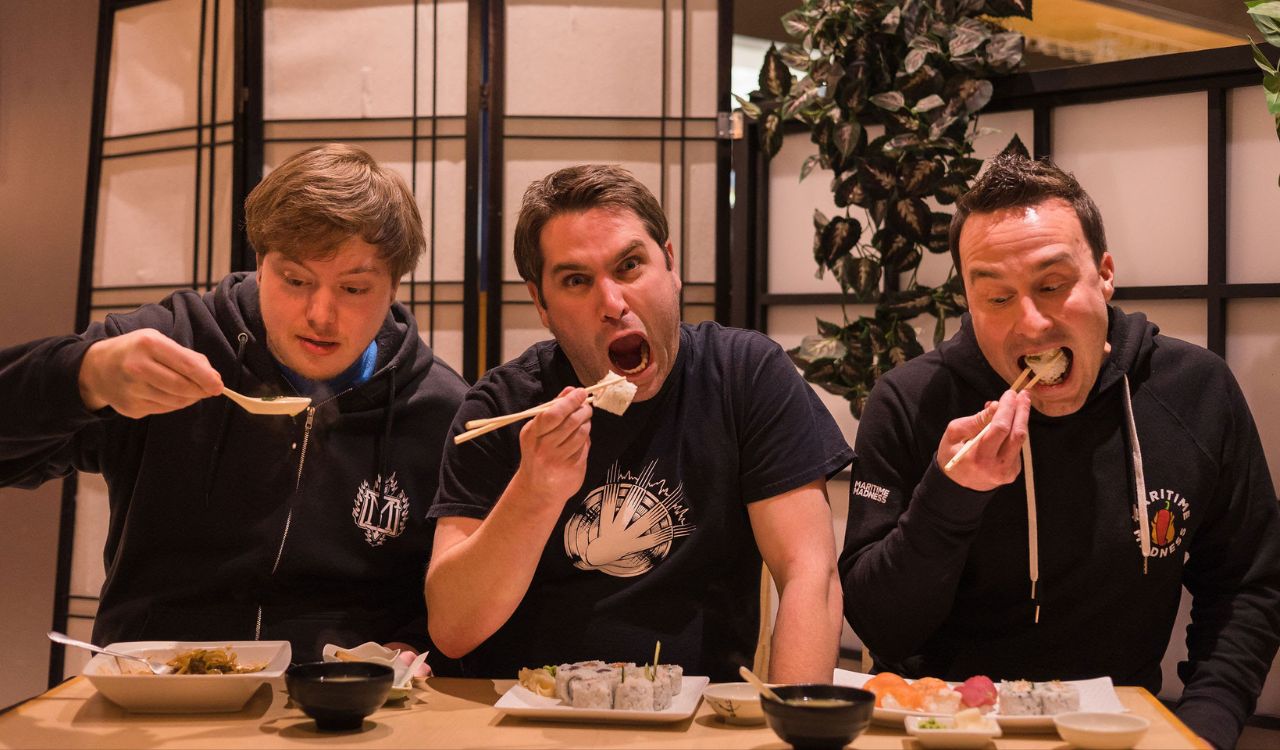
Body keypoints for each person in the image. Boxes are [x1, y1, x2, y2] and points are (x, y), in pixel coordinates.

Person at [840, 152, 1280, 749]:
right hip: (942, 729)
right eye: (996, 299)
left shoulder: (1193, 391)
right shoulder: (912, 401)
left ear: (1103, 273)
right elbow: (880, 624)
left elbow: (1248, 585)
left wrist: (1202, 728)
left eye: (1052, 285)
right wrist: (950, 495)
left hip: (1117, 729)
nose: (1031, 324)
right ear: (969, 302)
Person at [0, 143, 467, 666]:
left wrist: (411, 642)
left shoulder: (439, 409)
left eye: (354, 288)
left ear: (394, 287)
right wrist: (83, 377)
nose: (321, 314)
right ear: (261, 265)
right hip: (156, 689)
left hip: (340, 705)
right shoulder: (171, 346)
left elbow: (455, 589)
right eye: (295, 280)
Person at [424, 164, 851, 682]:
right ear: (541, 302)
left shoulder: (744, 376)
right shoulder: (501, 408)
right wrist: (535, 491)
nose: (612, 303)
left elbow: (811, 575)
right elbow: (452, 628)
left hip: (695, 718)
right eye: (576, 280)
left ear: (670, 265)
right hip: (524, 714)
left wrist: (795, 728)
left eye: (629, 265)